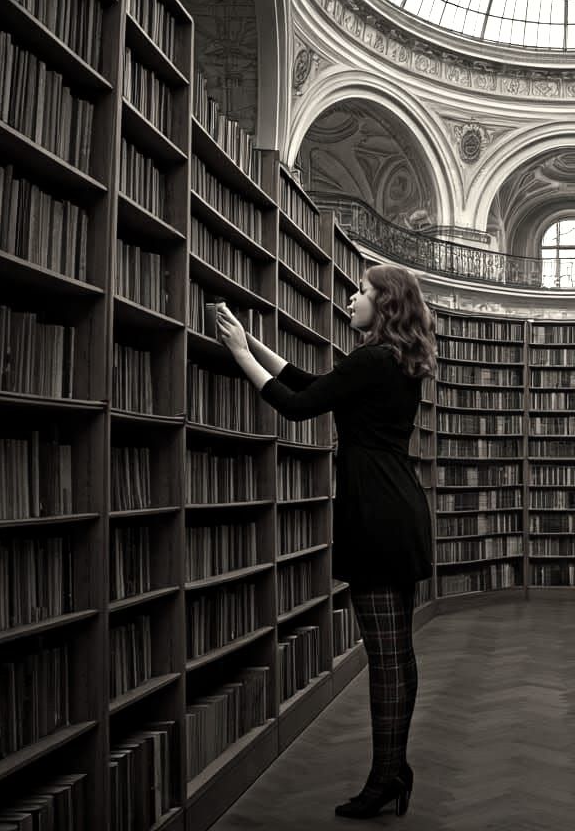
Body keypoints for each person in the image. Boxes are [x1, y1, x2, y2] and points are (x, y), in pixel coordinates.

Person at [215, 264, 435, 820]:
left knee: (385, 659)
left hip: (375, 516)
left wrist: (239, 354)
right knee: (397, 655)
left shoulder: (371, 360)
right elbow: (316, 384)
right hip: (398, 511)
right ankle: (394, 769)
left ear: (386, 302)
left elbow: (298, 406)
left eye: (362, 290)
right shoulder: (393, 361)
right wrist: (255, 346)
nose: (351, 299)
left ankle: (385, 777)